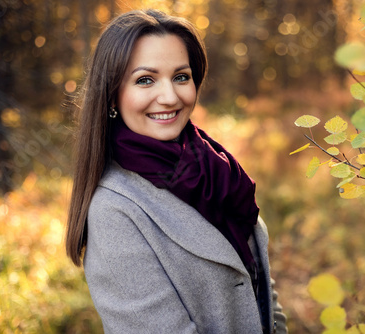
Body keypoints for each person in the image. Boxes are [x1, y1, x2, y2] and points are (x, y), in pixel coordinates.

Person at [65, 9, 288, 334]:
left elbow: (259, 284)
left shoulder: (217, 169)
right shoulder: (114, 212)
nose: (169, 97)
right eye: (145, 80)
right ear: (112, 93)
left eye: (181, 77)